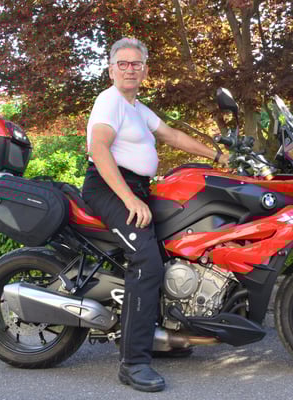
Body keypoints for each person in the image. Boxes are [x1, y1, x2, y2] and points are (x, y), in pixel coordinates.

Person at [81, 37, 229, 393]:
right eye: (123, 63)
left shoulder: (138, 108)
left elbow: (172, 136)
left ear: (145, 70)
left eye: (136, 64)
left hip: (135, 187)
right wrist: (129, 199)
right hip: (109, 187)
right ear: (111, 70)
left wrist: (217, 156)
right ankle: (133, 363)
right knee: (147, 262)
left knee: (171, 249)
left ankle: (164, 335)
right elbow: (98, 148)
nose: (129, 69)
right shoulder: (110, 101)